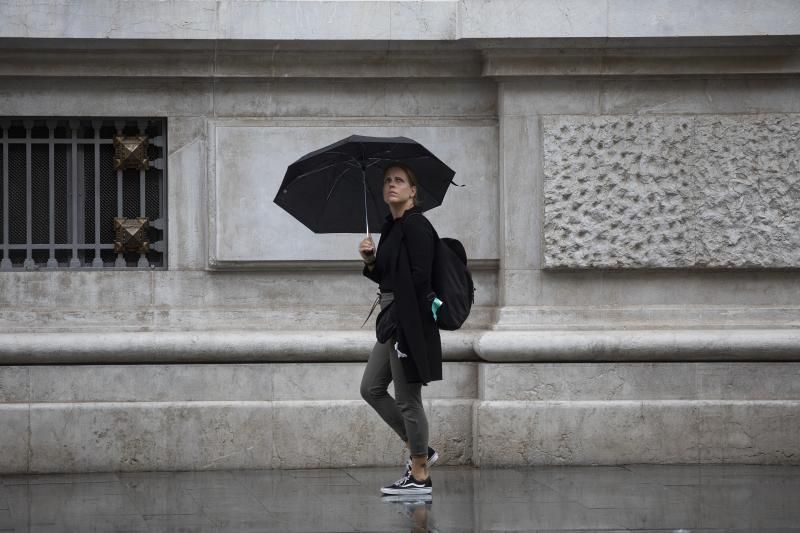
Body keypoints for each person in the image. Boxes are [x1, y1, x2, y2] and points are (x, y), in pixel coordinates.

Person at [358, 162, 443, 496]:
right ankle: (420, 447)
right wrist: (370, 262)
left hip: (408, 320)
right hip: (391, 316)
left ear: (412, 191)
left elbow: (422, 278)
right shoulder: (391, 228)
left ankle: (420, 473)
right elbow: (390, 277)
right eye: (387, 181)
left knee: (408, 399)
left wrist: (406, 322)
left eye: (399, 181)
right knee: (371, 388)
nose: (391, 185)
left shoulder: (416, 225)